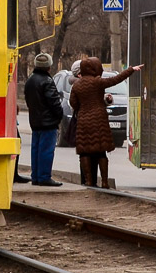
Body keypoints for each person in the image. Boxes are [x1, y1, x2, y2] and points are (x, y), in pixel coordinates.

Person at [70, 57, 143, 188]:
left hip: (83, 121)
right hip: (99, 120)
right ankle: (104, 182)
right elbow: (115, 79)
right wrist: (130, 70)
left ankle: (88, 181)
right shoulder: (97, 82)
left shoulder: (77, 85)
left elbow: (73, 103)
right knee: (101, 152)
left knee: (85, 152)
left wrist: (83, 107)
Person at [23, 51, 64, 186]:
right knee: (46, 151)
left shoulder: (30, 80)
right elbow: (54, 103)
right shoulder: (47, 81)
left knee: (36, 150)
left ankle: (36, 177)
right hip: (48, 123)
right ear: (49, 66)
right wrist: (59, 116)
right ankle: (44, 177)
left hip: (35, 121)